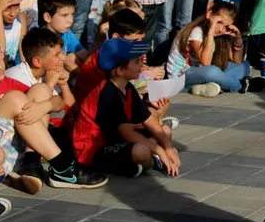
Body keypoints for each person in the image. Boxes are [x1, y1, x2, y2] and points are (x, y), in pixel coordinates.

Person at [0, 34, 108, 189]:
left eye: (1, 61)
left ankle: (31, 163)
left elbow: (58, 103)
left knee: (41, 90)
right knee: (15, 99)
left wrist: (44, 106)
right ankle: (62, 166)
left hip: (13, 149)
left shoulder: (7, 82)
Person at [67, 37, 180, 178]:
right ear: (120, 70)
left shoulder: (128, 88)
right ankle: (151, 162)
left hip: (115, 140)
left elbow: (150, 121)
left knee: (165, 132)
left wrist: (168, 148)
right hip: (92, 152)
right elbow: (128, 134)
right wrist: (161, 152)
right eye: (137, 61)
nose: (142, 64)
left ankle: (134, 165)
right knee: (141, 151)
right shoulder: (108, 94)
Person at [166, 1, 255, 97]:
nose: (221, 29)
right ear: (209, 15)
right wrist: (210, 33)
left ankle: (206, 87)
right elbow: (206, 63)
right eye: (219, 22)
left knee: (244, 65)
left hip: (201, 72)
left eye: (226, 26)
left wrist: (238, 39)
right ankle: (240, 85)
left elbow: (236, 61)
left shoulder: (220, 36)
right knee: (212, 72)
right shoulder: (196, 31)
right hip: (181, 77)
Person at [38, 0, 90, 73]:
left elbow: (84, 55)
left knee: (72, 58)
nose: (70, 20)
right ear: (48, 17)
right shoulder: (41, 40)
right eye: (64, 15)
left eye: (72, 14)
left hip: (60, 75)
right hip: (47, 79)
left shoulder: (67, 33)